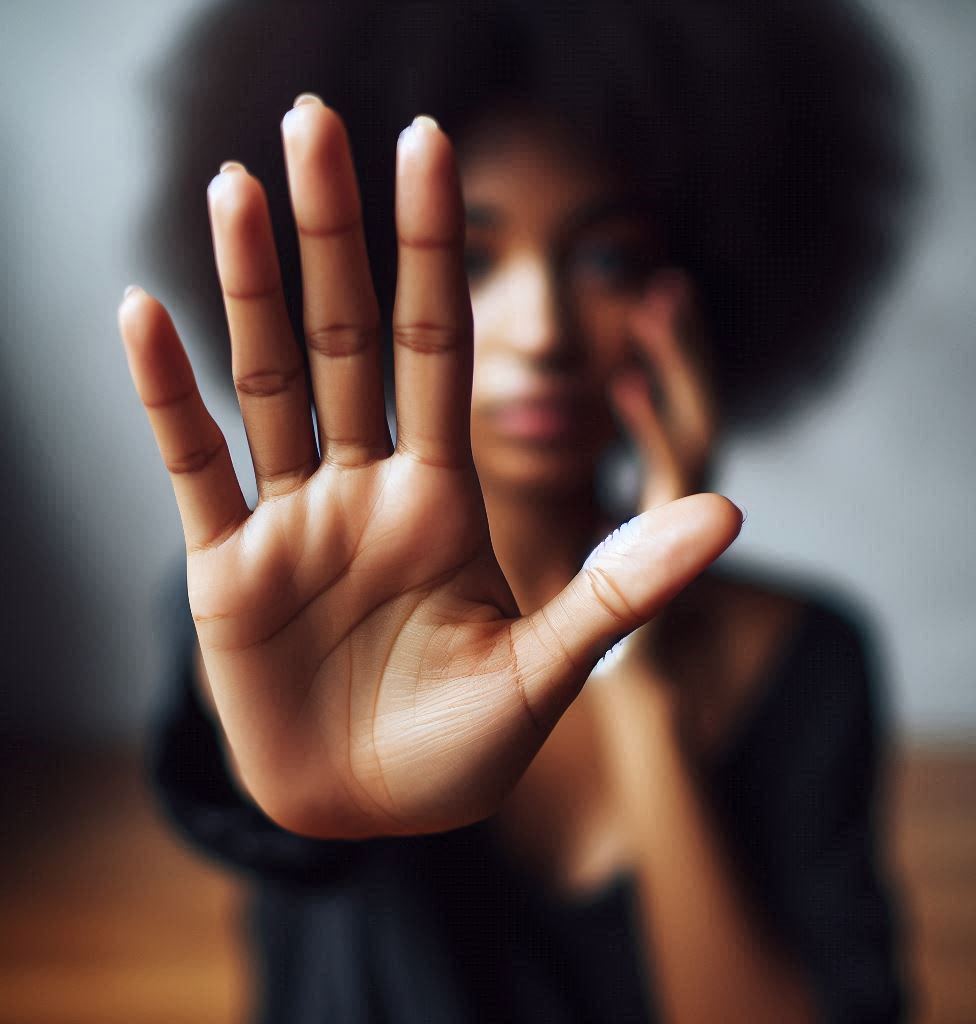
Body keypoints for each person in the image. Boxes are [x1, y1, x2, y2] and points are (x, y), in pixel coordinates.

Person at [121, 2, 918, 1021]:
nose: (540, 330)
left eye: (604, 259)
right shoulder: (285, 624)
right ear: (366, 286)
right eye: (468, 259)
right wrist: (293, 791)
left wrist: (639, 671)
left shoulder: (806, 659)